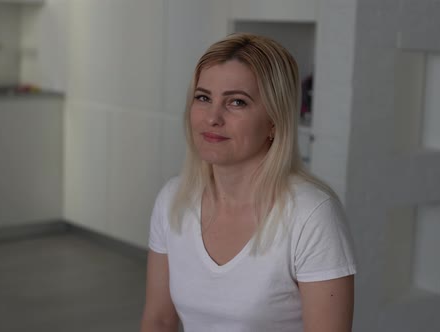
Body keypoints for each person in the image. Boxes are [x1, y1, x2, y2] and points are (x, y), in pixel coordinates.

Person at [140, 33, 357, 332]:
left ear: (274, 121)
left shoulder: (312, 214)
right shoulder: (173, 199)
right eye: (203, 97)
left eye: (237, 102)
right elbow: (159, 321)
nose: (212, 117)